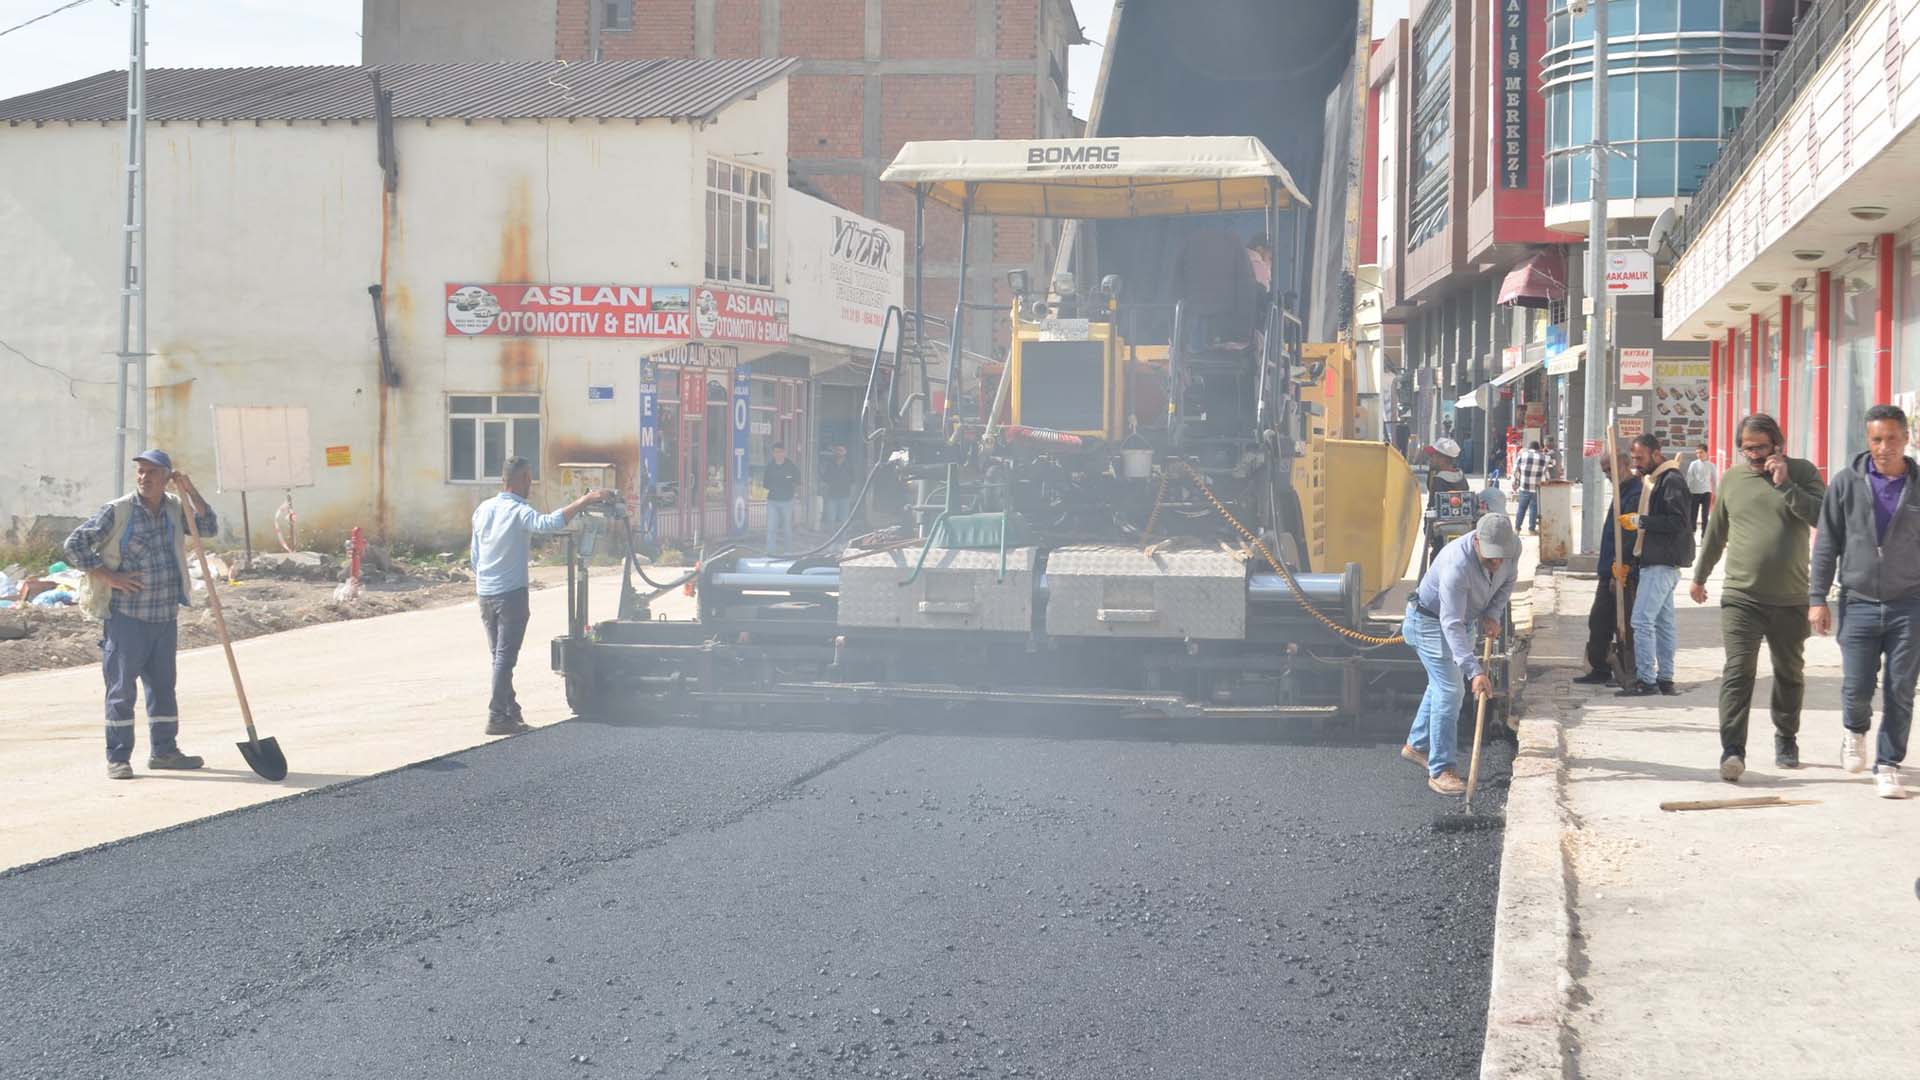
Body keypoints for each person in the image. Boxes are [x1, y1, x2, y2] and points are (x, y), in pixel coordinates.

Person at [63, 449, 219, 780]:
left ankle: (164, 751)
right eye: (140, 472)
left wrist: (190, 491)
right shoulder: (117, 511)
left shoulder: (176, 509)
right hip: (126, 618)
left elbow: (207, 527)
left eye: (151, 472)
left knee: (163, 688)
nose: (144, 478)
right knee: (121, 691)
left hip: (164, 615)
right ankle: (118, 757)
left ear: (167, 478)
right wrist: (108, 576)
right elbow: (74, 545)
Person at [1689, 415, 1825, 781]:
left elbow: (1824, 516)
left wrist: (1786, 485)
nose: (1752, 454)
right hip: (1741, 597)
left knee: (1788, 672)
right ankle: (1732, 750)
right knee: (1738, 671)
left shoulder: (1803, 472)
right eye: (1746, 448)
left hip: (1791, 598)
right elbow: (1716, 531)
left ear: (1777, 444)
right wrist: (1700, 576)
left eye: (1760, 447)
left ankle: (1786, 737)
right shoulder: (1733, 479)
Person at [1809, 404, 1920, 799]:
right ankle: (1854, 731)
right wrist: (1817, 597)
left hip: (1910, 604)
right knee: (1857, 687)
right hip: (1857, 601)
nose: (1884, 447)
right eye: (1876, 439)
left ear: (1907, 439)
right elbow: (1827, 544)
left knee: (1901, 688)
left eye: (1892, 438)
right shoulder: (1845, 483)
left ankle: (1888, 763)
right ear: (1867, 440)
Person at [470, 458, 611, 735]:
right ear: (521, 479)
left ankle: (510, 709)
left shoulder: (482, 510)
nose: (530, 487)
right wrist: (585, 500)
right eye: (529, 480)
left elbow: (475, 556)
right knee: (504, 658)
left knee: (498, 655)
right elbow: (548, 523)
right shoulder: (518, 510)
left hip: (484, 593)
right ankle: (497, 716)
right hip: (510, 594)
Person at [1401, 513, 1521, 796]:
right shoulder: (1457, 564)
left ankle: (1416, 746)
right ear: (1477, 541)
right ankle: (1441, 769)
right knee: (1451, 689)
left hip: (1464, 621)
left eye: (1501, 557)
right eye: (1491, 556)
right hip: (1430, 622)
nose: (1496, 563)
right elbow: (1450, 623)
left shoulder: (1512, 549)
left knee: (1442, 684)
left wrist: (1492, 613)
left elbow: (1507, 581)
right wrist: (1475, 671)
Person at [1617, 434, 1695, 697]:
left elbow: (1679, 522)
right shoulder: (1655, 480)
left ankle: (1647, 680)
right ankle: (1665, 679)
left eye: (1640, 458)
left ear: (1656, 454)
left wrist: (1642, 521)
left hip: (1663, 562)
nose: (1636, 464)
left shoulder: (1671, 481)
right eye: (1634, 459)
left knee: (1641, 621)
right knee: (1663, 624)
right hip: (1656, 560)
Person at [1576, 453, 1641, 686]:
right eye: (1604, 472)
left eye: (1609, 470)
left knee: (1618, 622)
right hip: (1609, 569)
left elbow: (1627, 538)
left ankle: (1622, 668)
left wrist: (1618, 571)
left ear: (1624, 465)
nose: (1607, 476)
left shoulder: (1634, 493)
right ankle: (1601, 666)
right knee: (1600, 621)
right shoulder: (1620, 491)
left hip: (1620, 571)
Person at [763, 441, 802, 553]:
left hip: (787, 501)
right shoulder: (769, 466)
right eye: (775, 452)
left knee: (787, 528)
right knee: (771, 529)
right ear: (773, 453)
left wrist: (792, 492)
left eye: (780, 452)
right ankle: (770, 553)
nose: (778, 454)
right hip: (773, 501)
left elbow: (798, 482)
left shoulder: (791, 466)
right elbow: (765, 484)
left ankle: (788, 552)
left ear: (784, 453)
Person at [1510, 440, 1550, 532]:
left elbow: (1514, 470)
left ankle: (1517, 528)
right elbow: (1545, 474)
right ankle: (1531, 529)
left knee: (1521, 508)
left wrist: (1514, 482)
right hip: (1536, 488)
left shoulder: (1523, 455)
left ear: (1529, 448)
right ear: (1538, 448)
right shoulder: (1544, 458)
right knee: (1534, 509)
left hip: (1524, 487)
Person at [819, 445, 854, 532]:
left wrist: (852, 495)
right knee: (831, 519)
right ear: (835, 452)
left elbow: (853, 480)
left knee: (844, 520)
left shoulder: (849, 464)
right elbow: (825, 478)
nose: (839, 452)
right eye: (838, 450)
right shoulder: (830, 464)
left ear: (845, 452)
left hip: (845, 496)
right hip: (832, 495)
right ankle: (832, 540)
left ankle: (842, 540)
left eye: (841, 450)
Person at [1685, 443, 1717, 536]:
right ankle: (1692, 532)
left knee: (1705, 515)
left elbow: (1714, 480)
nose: (1699, 455)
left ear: (1706, 453)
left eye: (1701, 452)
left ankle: (1704, 534)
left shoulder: (1711, 465)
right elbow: (1689, 478)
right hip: (1694, 492)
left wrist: (1715, 493)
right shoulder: (1693, 464)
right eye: (1697, 453)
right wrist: (1687, 491)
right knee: (1693, 515)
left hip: (1706, 492)